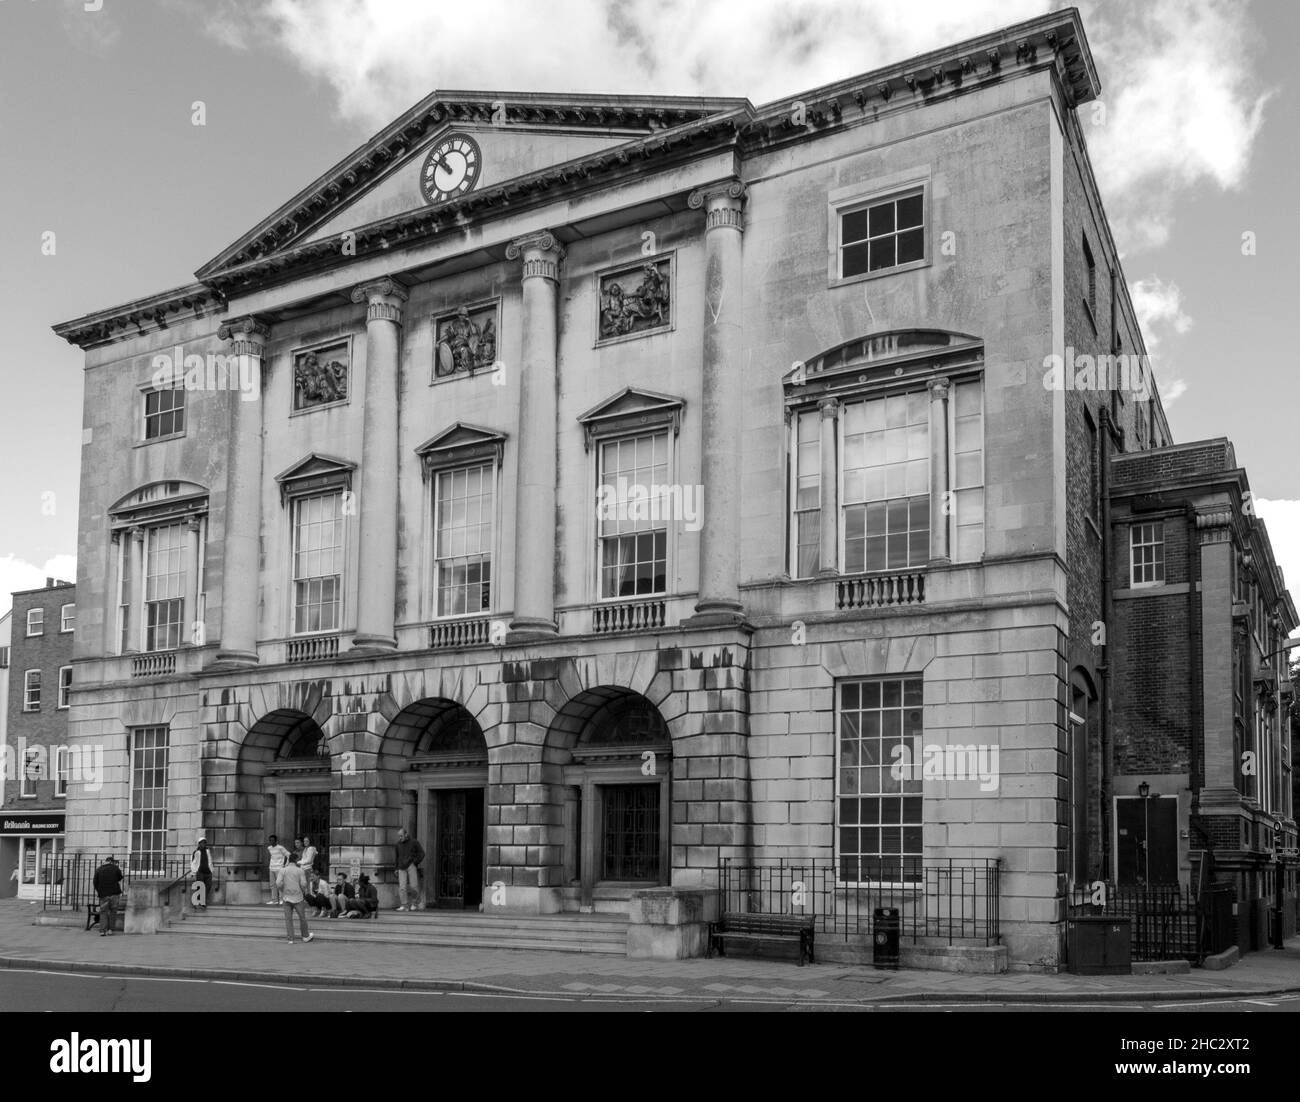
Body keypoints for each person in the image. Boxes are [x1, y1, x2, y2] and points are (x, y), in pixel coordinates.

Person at [276, 852, 314, 945]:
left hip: (286, 897)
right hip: (298, 897)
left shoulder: (282, 870)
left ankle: (290, 939)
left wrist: (283, 890)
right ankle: (305, 936)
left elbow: (278, 883)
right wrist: (302, 890)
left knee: (288, 919)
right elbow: (304, 884)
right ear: (296, 860)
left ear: (289, 860)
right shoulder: (300, 870)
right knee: (302, 918)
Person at [394, 828, 424, 911]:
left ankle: (415, 903)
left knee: (414, 886)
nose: (400, 838)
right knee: (402, 887)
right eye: (399, 836)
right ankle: (404, 905)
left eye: (401, 836)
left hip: (411, 865)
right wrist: (396, 868)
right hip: (401, 867)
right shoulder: (398, 844)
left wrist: (415, 862)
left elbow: (422, 853)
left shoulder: (414, 842)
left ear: (406, 834)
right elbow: (396, 857)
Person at [92, 856, 123, 937]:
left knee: (103, 912)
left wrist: (100, 891)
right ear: (111, 861)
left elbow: (95, 882)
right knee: (113, 912)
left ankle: (102, 930)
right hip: (114, 894)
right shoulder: (115, 868)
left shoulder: (99, 869)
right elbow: (120, 877)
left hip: (103, 894)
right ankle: (110, 930)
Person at [191, 836, 214, 909]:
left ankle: (201, 901)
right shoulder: (196, 852)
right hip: (200, 872)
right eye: (202, 843)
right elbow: (193, 862)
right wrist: (194, 872)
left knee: (208, 886)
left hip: (208, 872)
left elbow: (210, 860)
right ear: (199, 844)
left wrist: (211, 870)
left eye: (205, 843)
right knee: (200, 887)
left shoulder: (208, 851)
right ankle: (198, 901)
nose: (204, 844)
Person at [266, 835, 289, 905]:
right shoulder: (269, 848)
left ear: (276, 841)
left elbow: (288, 855)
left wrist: (285, 865)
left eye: (273, 840)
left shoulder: (280, 848)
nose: (271, 842)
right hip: (271, 868)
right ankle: (274, 900)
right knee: (272, 885)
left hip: (279, 868)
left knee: (279, 884)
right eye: (270, 840)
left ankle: (282, 899)